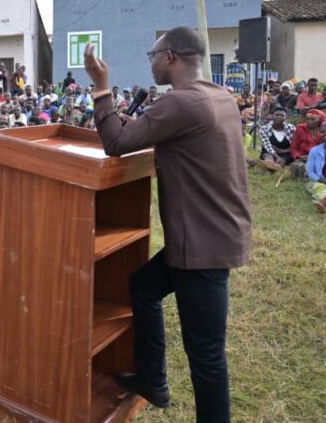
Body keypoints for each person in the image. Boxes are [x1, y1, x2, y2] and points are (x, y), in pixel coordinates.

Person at [84, 26, 252, 421]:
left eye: (153, 55)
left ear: (171, 57)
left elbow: (116, 144)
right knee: (143, 287)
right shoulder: (218, 95)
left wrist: (101, 86)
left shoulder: (180, 102)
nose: (151, 63)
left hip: (203, 246)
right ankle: (152, 379)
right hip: (210, 233)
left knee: (206, 354)